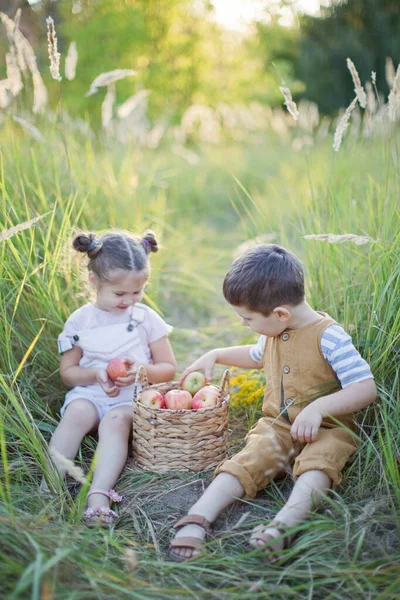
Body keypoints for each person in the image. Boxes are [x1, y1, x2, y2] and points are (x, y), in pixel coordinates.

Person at [169, 244, 376, 561]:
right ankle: (199, 517)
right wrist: (216, 355)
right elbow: (255, 356)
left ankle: (283, 525)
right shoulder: (272, 330)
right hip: (279, 424)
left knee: (319, 465)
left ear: (280, 313)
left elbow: (365, 387)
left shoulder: (330, 337)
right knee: (249, 457)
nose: (244, 324)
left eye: (247, 318)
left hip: (329, 428)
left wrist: (318, 409)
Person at [42, 229, 176, 525]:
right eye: (119, 293)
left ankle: (98, 495)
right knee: (75, 413)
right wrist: (96, 374)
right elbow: (69, 373)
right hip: (90, 393)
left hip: (129, 401)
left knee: (115, 422)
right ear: (94, 282)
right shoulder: (80, 321)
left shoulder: (145, 319)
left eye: (137, 292)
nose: (129, 300)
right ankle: (50, 485)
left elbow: (168, 367)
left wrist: (141, 370)